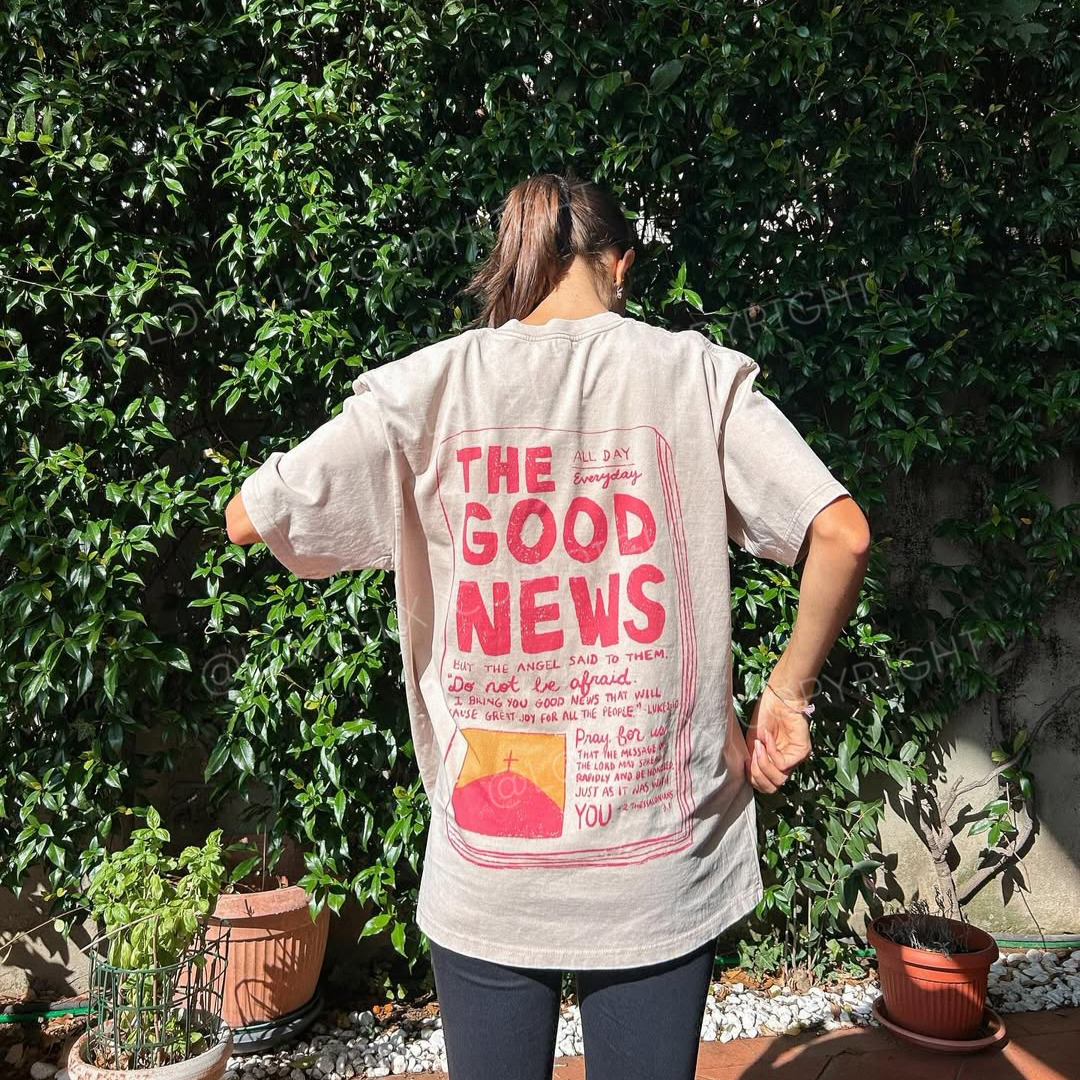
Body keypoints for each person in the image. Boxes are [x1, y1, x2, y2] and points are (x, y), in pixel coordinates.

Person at [225, 171, 871, 1080]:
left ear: (519, 260)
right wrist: (785, 696)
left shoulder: (430, 387)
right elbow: (841, 533)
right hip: (656, 854)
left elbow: (248, 518)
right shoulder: (693, 374)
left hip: (494, 850)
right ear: (622, 265)